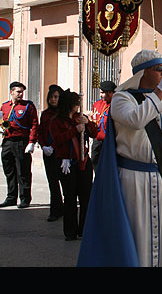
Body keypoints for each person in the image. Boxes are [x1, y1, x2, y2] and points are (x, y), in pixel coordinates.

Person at [78, 49, 162, 267]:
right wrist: (161, 92)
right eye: (158, 69)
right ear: (142, 73)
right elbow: (136, 120)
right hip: (134, 179)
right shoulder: (122, 99)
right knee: (137, 235)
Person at [49, 89, 97, 241]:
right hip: (66, 163)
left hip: (83, 161)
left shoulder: (80, 117)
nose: (78, 106)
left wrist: (88, 123)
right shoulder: (56, 121)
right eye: (76, 103)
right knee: (70, 197)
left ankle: (84, 230)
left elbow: (94, 133)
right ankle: (70, 231)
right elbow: (57, 140)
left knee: (86, 197)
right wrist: (74, 131)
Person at [0, 81, 39, 209]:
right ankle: (11, 197)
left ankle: (25, 198)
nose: (20, 94)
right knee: (9, 170)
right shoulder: (5, 106)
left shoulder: (28, 106)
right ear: (11, 92)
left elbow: (35, 125)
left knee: (23, 171)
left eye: (22, 92)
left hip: (21, 142)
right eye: (18, 92)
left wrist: (32, 142)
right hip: (8, 141)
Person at [37, 84, 64, 222]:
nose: (53, 100)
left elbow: (63, 134)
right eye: (51, 97)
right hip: (48, 152)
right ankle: (55, 210)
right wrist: (43, 146)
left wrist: (53, 146)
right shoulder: (45, 114)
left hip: (60, 152)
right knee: (52, 182)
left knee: (63, 181)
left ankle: (65, 207)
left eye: (56, 97)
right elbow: (40, 131)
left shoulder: (63, 114)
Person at [89, 80, 116, 171]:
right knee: (94, 161)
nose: (101, 95)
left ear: (110, 93)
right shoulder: (97, 104)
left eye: (103, 93)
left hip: (110, 141)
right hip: (97, 139)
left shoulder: (116, 105)